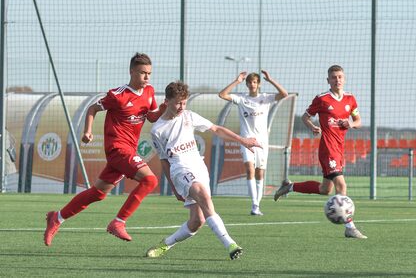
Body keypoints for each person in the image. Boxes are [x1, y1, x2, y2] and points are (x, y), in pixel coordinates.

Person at [44, 53, 166, 246]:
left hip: (129, 150)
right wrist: (88, 131)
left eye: (149, 73)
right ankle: (118, 222)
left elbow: (151, 117)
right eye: (143, 73)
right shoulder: (117, 95)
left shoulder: (149, 92)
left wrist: (163, 109)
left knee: (98, 193)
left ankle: (56, 218)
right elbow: (92, 109)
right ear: (132, 71)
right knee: (150, 180)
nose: (147, 78)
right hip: (117, 149)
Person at [146, 81, 261, 260]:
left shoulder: (189, 116)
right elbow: (164, 160)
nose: (181, 107)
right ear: (167, 101)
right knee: (203, 195)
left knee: (196, 222)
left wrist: (242, 140)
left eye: (184, 103)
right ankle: (230, 244)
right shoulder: (157, 130)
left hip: (198, 167)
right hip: (179, 169)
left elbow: (216, 129)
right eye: (178, 103)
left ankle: (165, 244)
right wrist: (173, 187)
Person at [274, 65, 367, 239]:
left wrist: (351, 124)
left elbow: (358, 120)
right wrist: (312, 127)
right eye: (333, 77)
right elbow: (305, 117)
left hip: (340, 149)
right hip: (327, 148)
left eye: (340, 77)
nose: (337, 80)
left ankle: (290, 187)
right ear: (328, 80)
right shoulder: (322, 99)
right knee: (342, 185)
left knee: (325, 189)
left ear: (344, 78)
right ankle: (350, 227)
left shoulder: (350, 99)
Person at [218, 70, 288, 215]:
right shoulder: (241, 99)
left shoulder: (266, 98)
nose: (252, 85)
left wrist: (271, 80)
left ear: (259, 84)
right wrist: (236, 81)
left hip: (262, 142)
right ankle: (255, 205)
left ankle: (257, 204)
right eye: (249, 82)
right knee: (249, 170)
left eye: (255, 82)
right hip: (247, 140)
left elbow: (284, 94)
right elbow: (222, 95)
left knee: (259, 174)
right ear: (247, 84)